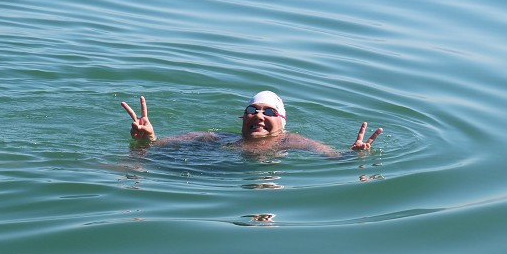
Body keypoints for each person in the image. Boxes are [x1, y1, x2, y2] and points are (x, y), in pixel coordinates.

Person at [120, 90, 382, 156]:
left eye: (269, 112)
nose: (258, 115)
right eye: (252, 110)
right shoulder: (213, 137)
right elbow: (155, 151)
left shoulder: (293, 142)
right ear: (242, 118)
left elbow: (332, 158)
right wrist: (146, 142)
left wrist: (354, 156)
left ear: (282, 121)